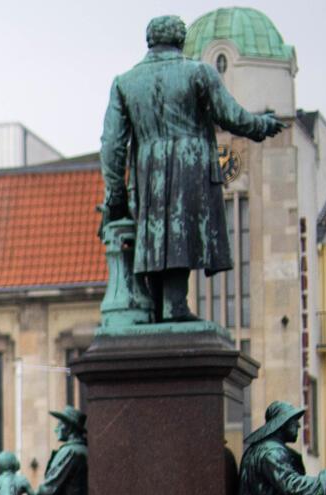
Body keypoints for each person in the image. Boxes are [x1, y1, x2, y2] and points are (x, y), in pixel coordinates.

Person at [99, 15, 284, 323]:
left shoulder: (124, 82)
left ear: (150, 42)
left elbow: (112, 145)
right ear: (180, 41)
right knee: (180, 229)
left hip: (148, 165)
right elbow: (231, 116)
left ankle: (163, 307)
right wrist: (262, 125)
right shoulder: (198, 72)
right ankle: (175, 306)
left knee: (157, 230)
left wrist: (116, 192)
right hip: (190, 160)